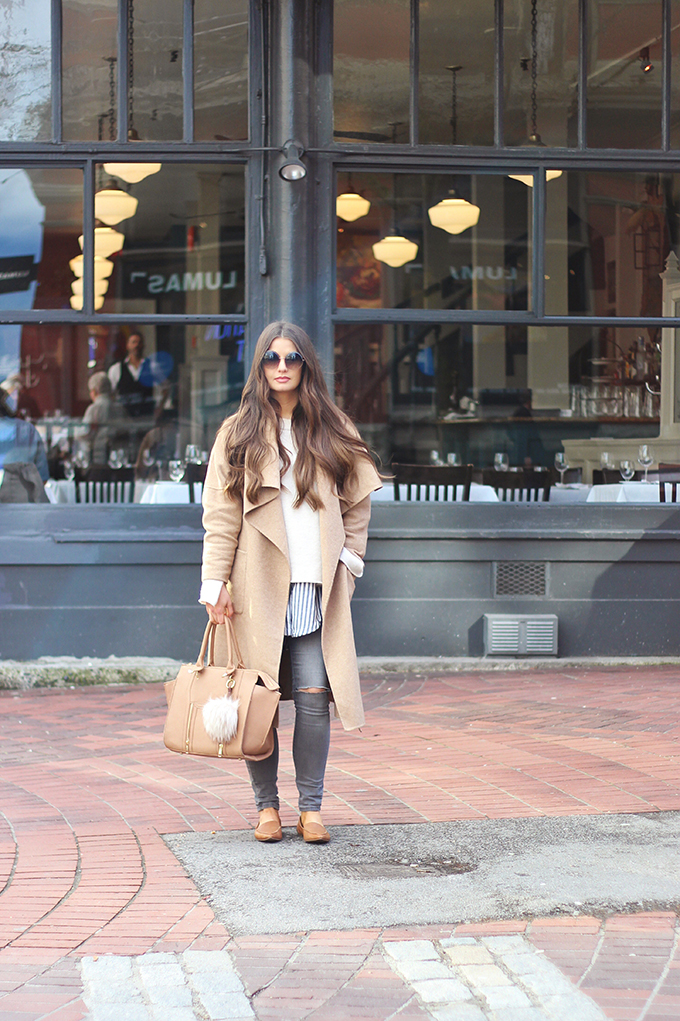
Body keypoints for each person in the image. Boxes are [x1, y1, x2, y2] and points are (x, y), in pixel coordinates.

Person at [200, 321, 381, 844]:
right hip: (255, 590)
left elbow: (359, 501)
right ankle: (266, 810)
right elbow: (221, 516)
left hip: (314, 589)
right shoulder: (236, 433)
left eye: (292, 357)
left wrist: (349, 559)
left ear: (306, 365)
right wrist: (216, 582)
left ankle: (311, 809)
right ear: (259, 367)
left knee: (313, 695)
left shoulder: (333, 427)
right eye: (272, 358)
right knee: (260, 698)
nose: (282, 367)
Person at [108, 330, 155, 421]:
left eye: (139, 342)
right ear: (127, 345)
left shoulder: (152, 367)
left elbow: (164, 390)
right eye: (133, 342)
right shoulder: (116, 369)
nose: (136, 345)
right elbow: (110, 393)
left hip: (146, 419)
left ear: (143, 345)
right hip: (124, 420)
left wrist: (158, 410)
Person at [81, 372, 120, 465]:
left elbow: (85, 433)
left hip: (97, 457)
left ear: (94, 391)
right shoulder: (119, 408)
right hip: (117, 457)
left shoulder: (94, 408)